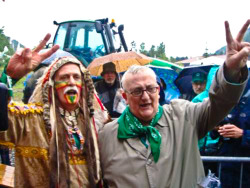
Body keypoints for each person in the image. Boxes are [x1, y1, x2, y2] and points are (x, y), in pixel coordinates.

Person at [98, 20, 250, 188]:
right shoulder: (107, 136)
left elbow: (219, 103)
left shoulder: (183, 116)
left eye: (150, 89)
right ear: (125, 97)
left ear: (158, 90)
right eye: (137, 91)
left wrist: (230, 71)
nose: (145, 96)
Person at [0, 34, 109, 187]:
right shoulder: (29, 120)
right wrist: (9, 76)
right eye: (64, 77)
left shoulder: (95, 122)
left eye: (76, 77)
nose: (71, 81)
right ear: (51, 86)